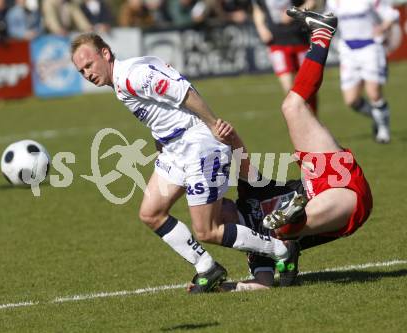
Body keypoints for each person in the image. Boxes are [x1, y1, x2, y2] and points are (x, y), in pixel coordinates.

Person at [70, 33, 290, 293]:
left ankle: (281, 250)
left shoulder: (131, 76)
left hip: (199, 146)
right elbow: (160, 111)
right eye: (81, 70)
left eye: (89, 64)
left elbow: (181, 90)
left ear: (105, 53)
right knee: (151, 213)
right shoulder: (123, 79)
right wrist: (160, 148)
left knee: (207, 230)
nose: (87, 73)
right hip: (175, 150)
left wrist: (212, 123)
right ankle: (207, 267)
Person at [198, 7, 373, 290]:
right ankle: (286, 234)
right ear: (224, 228)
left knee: (292, 106)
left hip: (324, 174)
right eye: (217, 208)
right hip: (343, 202)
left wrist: (227, 136)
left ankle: (322, 33)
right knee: (276, 230)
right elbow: (264, 284)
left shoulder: (247, 195)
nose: (219, 201)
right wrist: (221, 287)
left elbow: (240, 157)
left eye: (216, 201)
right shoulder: (253, 248)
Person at [325, 0, 399, 144]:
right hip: (348, 51)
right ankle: (377, 116)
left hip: (370, 47)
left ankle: (383, 131)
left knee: (374, 92)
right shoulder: (333, 1)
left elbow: (391, 15)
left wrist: (383, 27)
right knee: (351, 100)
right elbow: (328, 18)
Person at [252, 0, 319, 114]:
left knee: (308, 87)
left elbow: (312, 2)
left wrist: (295, 13)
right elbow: (258, 9)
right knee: (289, 88)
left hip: (300, 40)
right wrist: (261, 27)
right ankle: (300, 121)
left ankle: (313, 118)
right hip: (277, 43)